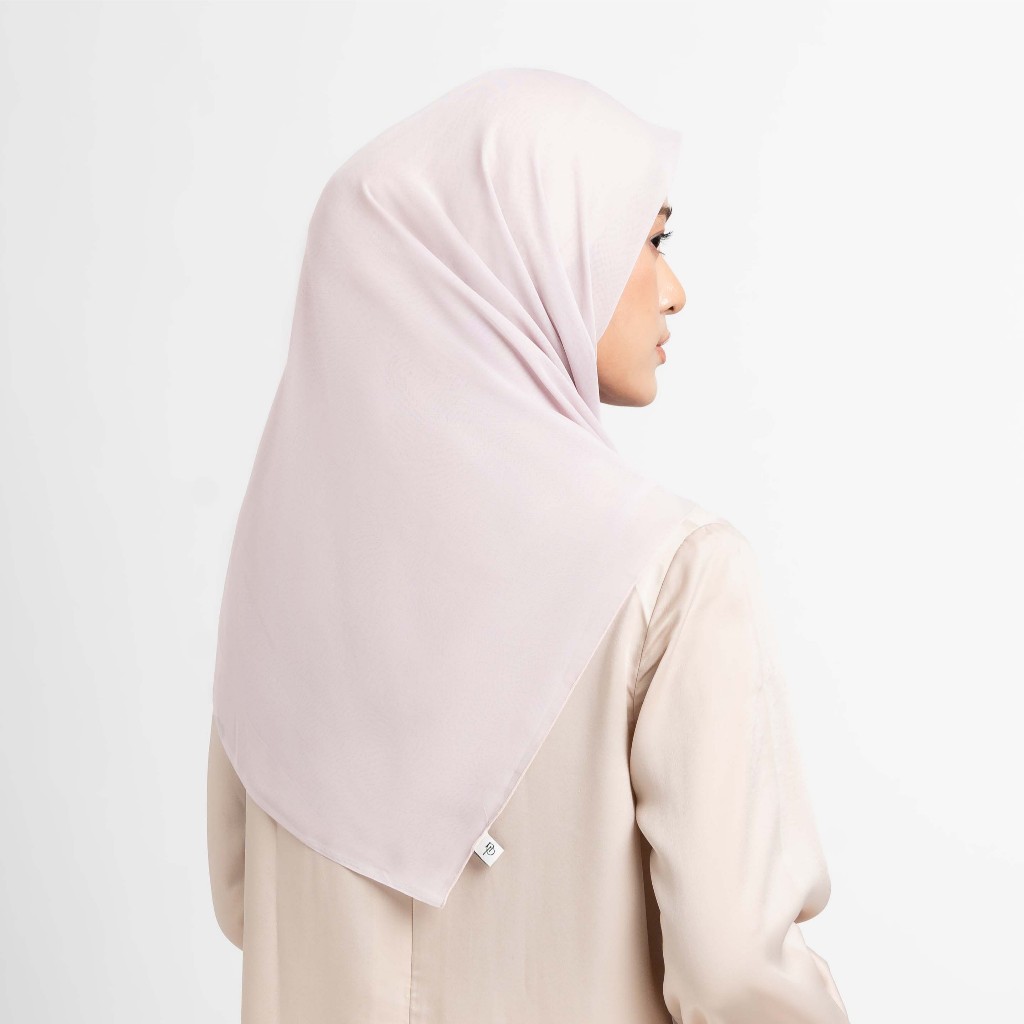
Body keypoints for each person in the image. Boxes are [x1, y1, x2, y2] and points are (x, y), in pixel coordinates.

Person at [207, 67, 851, 1023]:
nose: (675, 291)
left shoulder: (282, 572)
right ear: (529, 252)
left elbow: (243, 901)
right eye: (652, 239)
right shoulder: (677, 575)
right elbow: (734, 978)